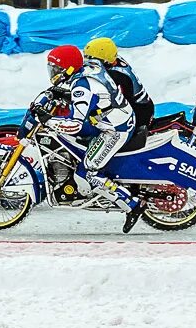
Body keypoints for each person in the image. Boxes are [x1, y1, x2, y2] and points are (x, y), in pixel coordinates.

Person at [39, 45, 144, 233]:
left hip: (115, 129)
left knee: (87, 172)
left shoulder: (81, 88)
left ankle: (132, 205)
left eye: (56, 69)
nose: (53, 73)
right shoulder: (88, 66)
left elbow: (75, 124)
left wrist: (48, 120)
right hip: (109, 117)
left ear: (69, 69)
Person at [82, 37, 154, 134]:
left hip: (139, 113)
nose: (87, 62)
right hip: (140, 104)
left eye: (90, 59)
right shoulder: (112, 60)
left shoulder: (116, 75)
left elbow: (112, 101)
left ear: (103, 60)